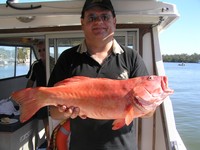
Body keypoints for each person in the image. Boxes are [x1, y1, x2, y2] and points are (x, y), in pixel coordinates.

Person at [48, 0, 153, 150]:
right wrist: (64, 111)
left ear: (114, 22)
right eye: (91, 17)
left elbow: (149, 114)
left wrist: (146, 104)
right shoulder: (67, 58)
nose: (99, 22)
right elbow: (54, 113)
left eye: (105, 17)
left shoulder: (131, 57)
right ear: (82, 23)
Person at [26, 41, 50, 146]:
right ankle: (50, 145)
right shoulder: (35, 65)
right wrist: (27, 98)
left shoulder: (56, 62)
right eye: (39, 50)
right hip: (42, 99)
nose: (41, 52)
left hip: (55, 97)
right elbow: (30, 82)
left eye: (44, 49)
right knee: (47, 126)